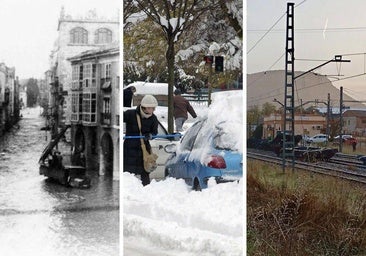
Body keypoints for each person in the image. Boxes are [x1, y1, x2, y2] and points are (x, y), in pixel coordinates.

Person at [124, 95, 158, 186]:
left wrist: (150, 136)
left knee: (145, 172)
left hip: (144, 149)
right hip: (129, 149)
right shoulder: (130, 114)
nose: (154, 110)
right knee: (128, 173)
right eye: (152, 108)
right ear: (146, 107)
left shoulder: (153, 119)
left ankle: (146, 191)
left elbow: (155, 133)